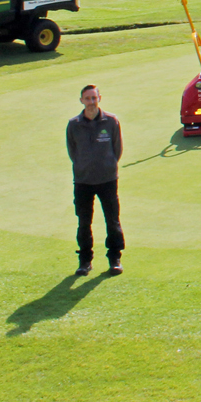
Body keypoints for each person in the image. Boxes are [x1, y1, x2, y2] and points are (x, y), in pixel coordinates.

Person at [66, 84, 125, 275]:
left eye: (94, 98)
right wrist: (85, 166)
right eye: (87, 98)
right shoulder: (74, 124)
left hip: (107, 179)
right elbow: (73, 151)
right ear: (81, 100)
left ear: (99, 98)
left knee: (112, 220)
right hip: (83, 181)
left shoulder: (111, 121)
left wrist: (107, 165)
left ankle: (114, 259)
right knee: (84, 222)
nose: (91, 102)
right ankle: (85, 261)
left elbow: (117, 149)